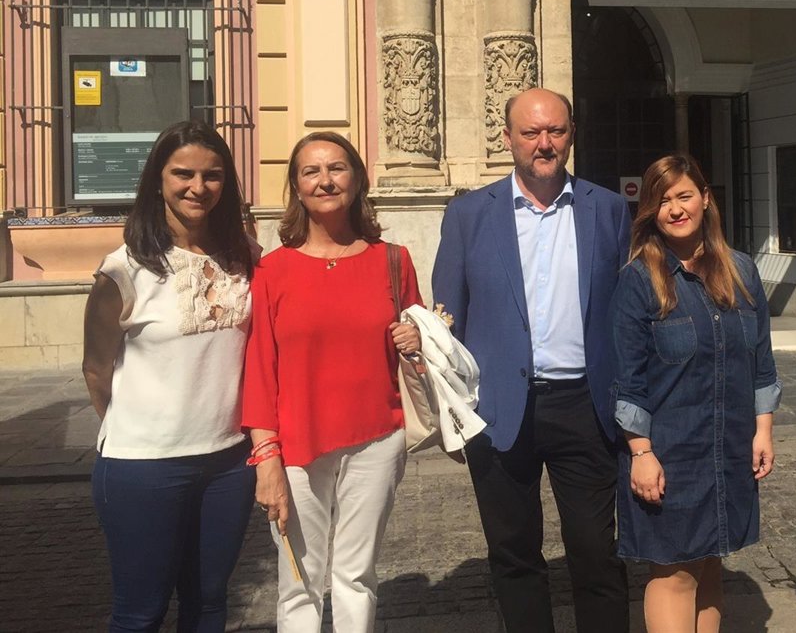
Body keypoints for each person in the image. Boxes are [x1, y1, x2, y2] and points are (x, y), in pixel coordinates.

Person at [432, 87, 631, 633]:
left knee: (596, 552)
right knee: (514, 553)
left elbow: (625, 310)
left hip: (585, 407)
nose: (544, 144)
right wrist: (455, 414)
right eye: (531, 132)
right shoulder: (469, 215)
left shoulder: (608, 209)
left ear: (571, 135)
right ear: (508, 138)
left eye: (556, 131)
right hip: (499, 408)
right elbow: (447, 323)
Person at [242, 131, 423, 633]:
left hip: (377, 437)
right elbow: (259, 369)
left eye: (337, 168)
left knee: (356, 575)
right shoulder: (271, 271)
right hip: (297, 446)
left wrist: (416, 341)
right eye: (311, 171)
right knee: (299, 580)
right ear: (297, 188)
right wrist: (265, 457)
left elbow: (420, 351)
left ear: (357, 179)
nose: (325, 180)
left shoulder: (393, 260)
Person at [83, 120, 257, 633]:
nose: (197, 187)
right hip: (144, 467)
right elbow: (96, 368)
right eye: (183, 173)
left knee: (209, 605)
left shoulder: (246, 258)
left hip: (229, 462)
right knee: (141, 613)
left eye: (212, 175)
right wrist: (142, 428)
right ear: (157, 180)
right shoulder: (124, 269)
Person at [611, 153, 780, 633]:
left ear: (705, 198)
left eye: (684, 196)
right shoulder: (639, 280)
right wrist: (641, 453)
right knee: (674, 573)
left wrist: (763, 430)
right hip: (670, 451)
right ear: (650, 212)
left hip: (728, 446)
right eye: (662, 201)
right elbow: (627, 380)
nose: (675, 209)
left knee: (708, 564)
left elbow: (761, 363)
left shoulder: (741, 270)